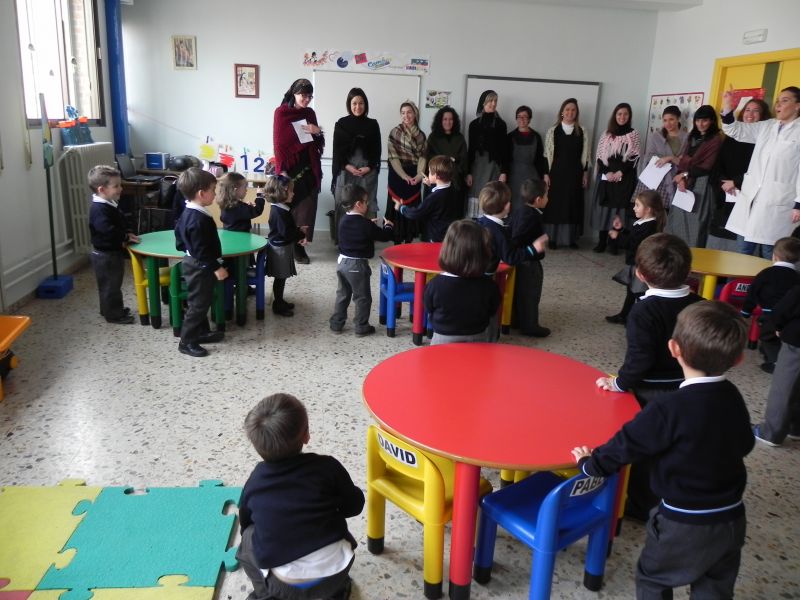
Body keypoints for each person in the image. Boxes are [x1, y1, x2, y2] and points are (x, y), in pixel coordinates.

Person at [573, 301, 753, 600]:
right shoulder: (733, 396)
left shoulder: (668, 407)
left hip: (682, 522)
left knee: (653, 579)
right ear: (738, 359)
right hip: (731, 518)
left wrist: (591, 465)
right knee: (715, 587)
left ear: (673, 348)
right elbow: (745, 443)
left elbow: (626, 445)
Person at [596, 233, 703, 519]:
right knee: (677, 445)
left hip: (651, 394)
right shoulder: (700, 304)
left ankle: (642, 505)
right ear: (688, 271)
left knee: (646, 447)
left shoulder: (643, 311)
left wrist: (619, 382)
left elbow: (639, 359)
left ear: (640, 275)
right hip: (690, 388)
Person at [237, 393, 365, 600]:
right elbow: (354, 506)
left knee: (247, 540)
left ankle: (264, 596)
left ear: (257, 447)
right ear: (306, 436)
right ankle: (337, 593)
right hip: (336, 572)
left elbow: (246, 522)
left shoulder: (255, 482)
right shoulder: (327, 467)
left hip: (284, 586)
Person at [722, 86, 800, 258]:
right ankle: (740, 278)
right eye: (778, 101)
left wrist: (798, 204)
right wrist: (727, 106)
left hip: (779, 202)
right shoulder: (767, 126)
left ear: (797, 106)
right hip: (751, 197)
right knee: (742, 252)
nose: (778, 104)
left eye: (785, 100)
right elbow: (734, 130)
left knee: (771, 253)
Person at [477, 181, 548, 341]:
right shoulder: (498, 231)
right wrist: (533, 249)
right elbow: (511, 257)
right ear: (507, 205)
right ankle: (491, 338)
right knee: (492, 307)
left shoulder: (481, 222)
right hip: (486, 278)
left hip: (476, 273)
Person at [174, 168, 228, 357]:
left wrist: (187, 249)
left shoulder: (190, 211)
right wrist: (216, 267)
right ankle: (186, 341)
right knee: (198, 304)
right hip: (199, 266)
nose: (215, 194)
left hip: (196, 263)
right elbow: (202, 251)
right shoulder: (197, 219)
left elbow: (179, 237)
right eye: (213, 190)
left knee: (202, 301)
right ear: (201, 194)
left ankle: (201, 332)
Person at [329, 184, 394, 337]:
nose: (367, 204)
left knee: (343, 294)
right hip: (357, 266)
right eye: (366, 201)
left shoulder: (343, 220)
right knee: (362, 297)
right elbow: (384, 236)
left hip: (342, 263)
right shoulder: (365, 224)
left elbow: (357, 232)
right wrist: (388, 226)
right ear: (358, 204)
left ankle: (336, 324)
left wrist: (369, 225)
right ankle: (361, 326)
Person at [707, 99, 771, 251]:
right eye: (747, 110)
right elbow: (719, 163)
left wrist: (736, 182)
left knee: (742, 241)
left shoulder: (765, 140)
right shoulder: (733, 136)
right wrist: (724, 182)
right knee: (719, 236)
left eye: (756, 111)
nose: (750, 114)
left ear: (763, 116)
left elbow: (761, 170)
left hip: (748, 193)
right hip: (726, 192)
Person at [424, 220, 501, 345]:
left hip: (443, 339)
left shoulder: (435, 284)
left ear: (447, 250)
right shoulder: (490, 285)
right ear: (483, 254)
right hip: (478, 337)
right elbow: (493, 310)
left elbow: (428, 308)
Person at [273, 78, 324, 264]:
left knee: (307, 208)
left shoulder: (310, 113)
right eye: (304, 95)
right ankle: (288, 243)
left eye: (310, 96)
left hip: (309, 166)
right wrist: (282, 170)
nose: (307, 99)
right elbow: (278, 144)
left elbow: (318, 143)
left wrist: (317, 131)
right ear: (294, 93)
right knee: (290, 208)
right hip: (290, 168)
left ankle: (300, 246)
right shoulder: (281, 113)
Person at [664, 105, 723, 248]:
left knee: (696, 223)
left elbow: (707, 167)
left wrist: (684, 174)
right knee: (677, 219)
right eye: (697, 120)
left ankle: (693, 256)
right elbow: (684, 159)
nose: (700, 124)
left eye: (705, 121)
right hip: (686, 181)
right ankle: (675, 252)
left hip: (702, 184)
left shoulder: (715, 139)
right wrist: (681, 177)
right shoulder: (693, 136)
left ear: (712, 121)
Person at [87, 164, 139, 325]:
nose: (120, 189)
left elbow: (118, 222)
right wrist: (124, 236)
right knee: (111, 286)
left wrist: (127, 232)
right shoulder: (99, 209)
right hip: (106, 255)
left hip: (110, 253)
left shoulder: (108, 204)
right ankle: (114, 315)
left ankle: (108, 309)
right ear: (102, 189)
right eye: (116, 186)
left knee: (110, 285)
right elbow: (107, 230)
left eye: (120, 185)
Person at [605, 190, 666, 325]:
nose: (634, 208)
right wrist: (622, 229)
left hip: (641, 265)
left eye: (637, 205)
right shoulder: (643, 223)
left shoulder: (649, 226)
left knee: (639, 293)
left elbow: (634, 244)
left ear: (648, 209)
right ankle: (624, 315)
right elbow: (633, 236)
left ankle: (640, 320)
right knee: (631, 291)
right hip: (636, 263)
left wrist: (618, 237)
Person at [740, 236, 800, 373]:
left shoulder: (765, 274)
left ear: (774, 256)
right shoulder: (797, 276)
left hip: (770, 316)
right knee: (783, 339)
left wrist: (746, 312)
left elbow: (752, 293)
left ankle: (775, 362)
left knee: (768, 338)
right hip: (791, 318)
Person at [752, 281, 800, 447]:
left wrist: (778, 327)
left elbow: (779, 312)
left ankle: (771, 432)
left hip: (796, 343)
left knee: (784, 386)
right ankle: (795, 427)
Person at [591, 102, 640, 254]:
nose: (622, 117)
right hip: (607, 177)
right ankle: (601, 242)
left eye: (625, 114)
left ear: (629, 116)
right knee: (604, 210)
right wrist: (607, 173)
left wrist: (620, 172)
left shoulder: (633, 134)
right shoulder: (606, 134)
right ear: (615, 116)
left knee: (618, 211)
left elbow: (634, 157)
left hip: (624, 178)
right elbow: (600, 157)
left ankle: (614, 243)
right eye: (619, 114)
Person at [543, 98, 591, 249]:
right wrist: (546, 174)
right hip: (556, 173)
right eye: (567, 109)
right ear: (562, 112)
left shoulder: (582, 131)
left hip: (575, 173)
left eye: (573, 110)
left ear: (577, 112)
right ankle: (552, 239)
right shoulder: (553, 131)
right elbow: (546, 155)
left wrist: (585, 173)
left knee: (573, 204)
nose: (570, 112)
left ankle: (571, 239)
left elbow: (586, 155)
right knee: (555, 205)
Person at [331, 87, 381, 221]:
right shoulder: (341, 124)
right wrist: (348, 166)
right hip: (345, 171)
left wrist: (368, 167)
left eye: (361, 103)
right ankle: (343, 233)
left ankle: (367, 232)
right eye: (354, 103)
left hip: (367, 173)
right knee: (344, 205)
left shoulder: (373, 124)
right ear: (349, 104)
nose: (358, 107)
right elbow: (337, 151)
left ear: (365, 105)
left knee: (367, 205)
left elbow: (377, 151)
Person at [510, 178, 550, 337]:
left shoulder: (521, 210)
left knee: (520, 292)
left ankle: (517, 320)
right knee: (530, 294)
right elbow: (517, 237)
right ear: (538, 199)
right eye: (547, 195)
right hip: (529, 262)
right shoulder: (530, 216)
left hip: (523, 261)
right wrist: (533, 248)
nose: (548, 198)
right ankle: (530, 326)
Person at [630, 105, 687, 212]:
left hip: (673, 179)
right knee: (648, 210)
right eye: (665, 120)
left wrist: (670, 158)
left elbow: (685, 162)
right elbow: (649, 156)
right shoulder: (656, 136)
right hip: (654, 178)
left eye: (671, 119)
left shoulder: (686, 138)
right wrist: (669, 158)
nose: (668, 123)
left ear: (678, 119)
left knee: (664, 213)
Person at [384, 101, 426, 244]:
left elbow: (423, 157)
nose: (406, 116)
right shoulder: (394, 133)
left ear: (415, 114)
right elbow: (393, 157)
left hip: (414, 174)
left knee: (411, 209)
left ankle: (408, 242)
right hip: (397, 174)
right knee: (396, 209)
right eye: (403, 113)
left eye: (409, 112)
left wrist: (419, 176)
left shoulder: (421, 135)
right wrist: (403, 175)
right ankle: (396, 242)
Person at [265, 175, 305, 317]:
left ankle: (280, 300)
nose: (293, 193)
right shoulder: (279, 212)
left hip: (281, 247)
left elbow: (287, 229)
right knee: (280, 278)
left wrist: (297, 230)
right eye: (291, 191)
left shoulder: (280, 208)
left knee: (281, 278)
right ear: (282, 191)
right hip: (279, 249)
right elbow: (287, 233)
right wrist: (300, 234)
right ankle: (278, 305)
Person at [393, 155, 456, 242]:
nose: (427, 174)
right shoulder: (452, 189)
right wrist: (431, 185)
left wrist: (401, 207)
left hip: (435, 236)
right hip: (447, 234)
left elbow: (415, 213)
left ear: (436, 176)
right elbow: (440, 195)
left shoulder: (433, 198)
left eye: (429, 172)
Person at [466, 90, 508, 217]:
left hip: (494, 168)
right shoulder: (474, 125)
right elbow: (471, 149)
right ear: (483, 103)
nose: (493, 103)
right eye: (490, 100)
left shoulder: (501, 124)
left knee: (492, 197)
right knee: (477, 197)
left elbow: (504, 150)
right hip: (477, 168)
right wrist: (468, 172)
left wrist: (504, 172)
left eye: (495, 101)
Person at [425, 106, 468, 219]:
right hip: (437, 181)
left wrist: (454, 163)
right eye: (445, 119)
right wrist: (448, 160)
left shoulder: (460, 138)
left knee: (454, 214)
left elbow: (464, 159)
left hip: (455, 182)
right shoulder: (433, 138)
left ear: (454, 121)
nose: (448, 122)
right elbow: (429, 158)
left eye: (451, 119)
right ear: (440, 121)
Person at [507, 105, 548, 211]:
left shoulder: (536, 136)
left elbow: (540, 159)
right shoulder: (510, 137)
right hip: (513, 177)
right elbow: (506, 159)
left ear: (529, 119)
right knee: (514, 204)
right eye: (519, 116)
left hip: (531, 177)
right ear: (516, 118)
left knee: (530, 205)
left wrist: (544, 175)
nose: (522, 119)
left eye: (525, 116)